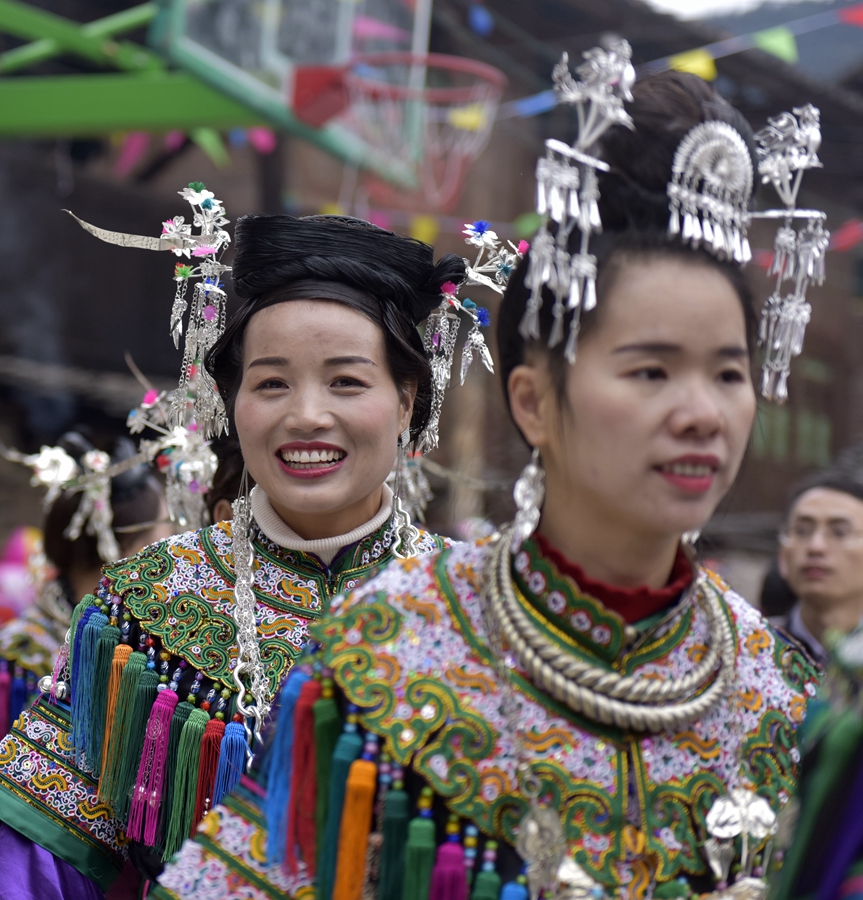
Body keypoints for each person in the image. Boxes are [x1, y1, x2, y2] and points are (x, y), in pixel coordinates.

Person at [154, 52, 824, 900]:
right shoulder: (387, 652)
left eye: (727, 374)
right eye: (650, 371)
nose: (701, 413)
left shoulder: (780, 692)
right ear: (535, 401)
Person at [0, 201, 472, 899]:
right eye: (271, 382)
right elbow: (34, 864)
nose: (306, 414)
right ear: (233, 401)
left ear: (407, 402)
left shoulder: (476, 610)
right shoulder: (143, 605)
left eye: (346, 381)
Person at [0, 431, 175, 736]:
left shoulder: (145, 644)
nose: (171, 554)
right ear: (123, 553)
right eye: (160, 541)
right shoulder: (19, 657)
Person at [773, 470, 863, 666]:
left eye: (839, 533)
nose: (816, 547)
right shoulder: (750, 650)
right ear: (782, 556)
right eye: (802, 531)